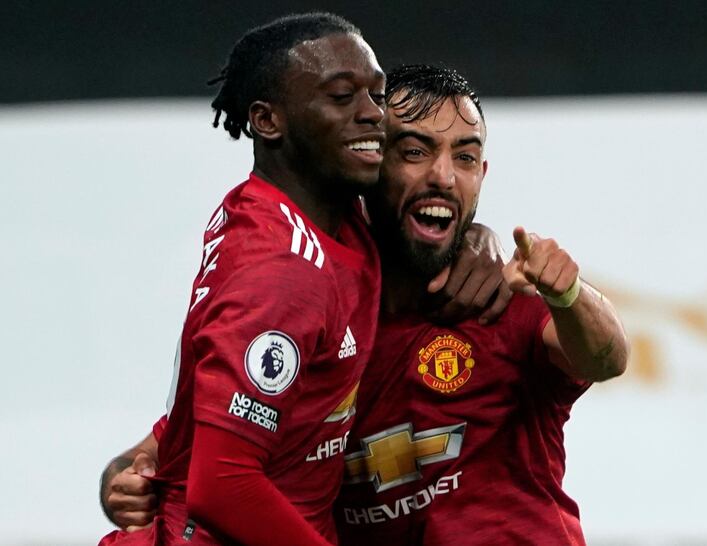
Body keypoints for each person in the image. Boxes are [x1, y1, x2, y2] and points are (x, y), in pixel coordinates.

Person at [102, 64, 628, 545]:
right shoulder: (316, 308)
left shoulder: (498, 293)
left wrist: (570, 293)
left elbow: (607, 358)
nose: (443, 176)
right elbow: (179, 447)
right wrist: (123, 481)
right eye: (415, 152)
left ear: (481, 175)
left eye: (464, 157)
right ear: (372, 162)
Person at [100, 12, 387, 546]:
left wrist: (129, 465)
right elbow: (222, 485)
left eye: (378, 93)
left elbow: (208, 397)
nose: (373, 115)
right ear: (267, 120)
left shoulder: (290, 213)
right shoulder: (280, 273)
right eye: (343, 96)